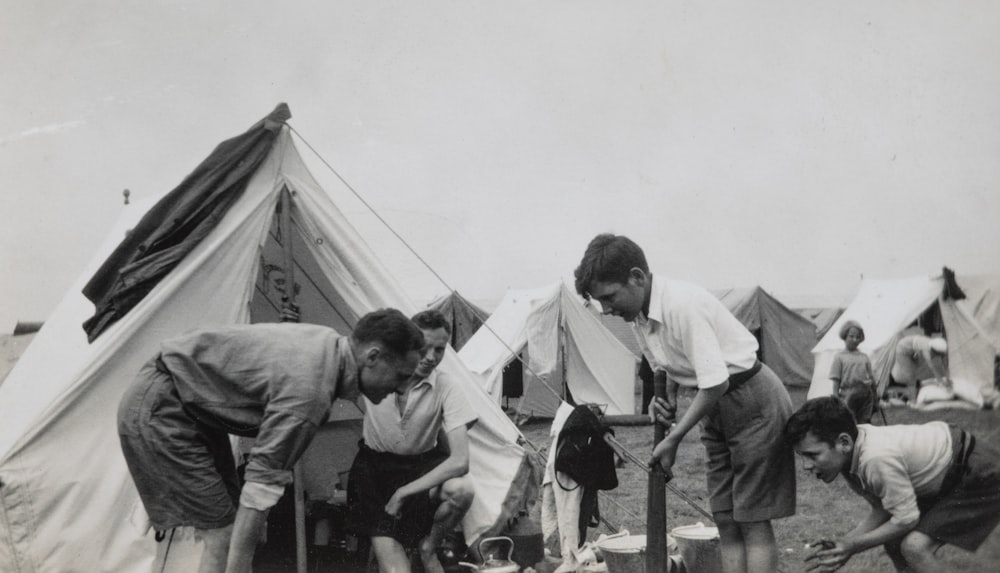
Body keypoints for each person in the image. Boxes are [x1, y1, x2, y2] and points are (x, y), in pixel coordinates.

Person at [117, 308, 425, 573]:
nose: (401, 389)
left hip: (186, 403)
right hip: (163, 407)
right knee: (223, 534)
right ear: (372, 356)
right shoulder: (310, 392)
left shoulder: (327, 343)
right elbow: (258, 490)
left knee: (235, 528)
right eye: (400, 376)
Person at [574, 233, 795, 573]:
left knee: (751, 518)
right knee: (725, 516)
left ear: (637, 276)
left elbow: (716, 379)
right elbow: (669, 363)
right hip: (717, 406)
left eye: (609, 296)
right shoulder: (638, 317)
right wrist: (667, 400)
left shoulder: (682, 304)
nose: (606, 309)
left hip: (753, 401)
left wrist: (674, 437)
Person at [785, 396, 1000, 572]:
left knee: (915, 547)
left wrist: (853, 546)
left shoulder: (875, 459)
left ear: (844, 442)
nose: (805, 466)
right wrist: (843, 543)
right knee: (894, 542)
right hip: (948, 469)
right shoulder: (849, 457)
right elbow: (883, 509)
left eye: (812, 455)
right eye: (802, 456)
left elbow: (906, 519)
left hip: (978, 472)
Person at [346, 309, 477, 573]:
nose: (430, 357)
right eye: (424, 347)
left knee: (462, 489)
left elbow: (460, 460)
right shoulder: (377, 370)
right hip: (375, 475)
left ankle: (428, 547)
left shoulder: (446, 386)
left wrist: (404, 493)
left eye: (439, 350)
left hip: (418, 472)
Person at [828, 320, 877, 423]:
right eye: (851, 336)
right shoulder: (839, 357)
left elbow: (871, 379)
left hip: (865, 395)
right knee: (848, 421)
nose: (855, 340)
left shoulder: (864, 357)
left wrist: (875, 398)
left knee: (865, 422)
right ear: (845, 336)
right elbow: (836, 381)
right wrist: (836, 400)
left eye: (858, 337)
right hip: (848, 394)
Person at [890, 334, 949, 402]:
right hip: (902, 351)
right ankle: (913, 400)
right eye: (936, 354)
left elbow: (944, 362)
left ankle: (913, 391)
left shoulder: (935, 346)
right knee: (910, 377)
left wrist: (947, 376)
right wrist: (940, 381)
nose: (936, 356)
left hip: (912, 351)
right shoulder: (926, 348)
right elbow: (931, 367)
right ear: (933, 350)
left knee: (914, 373)